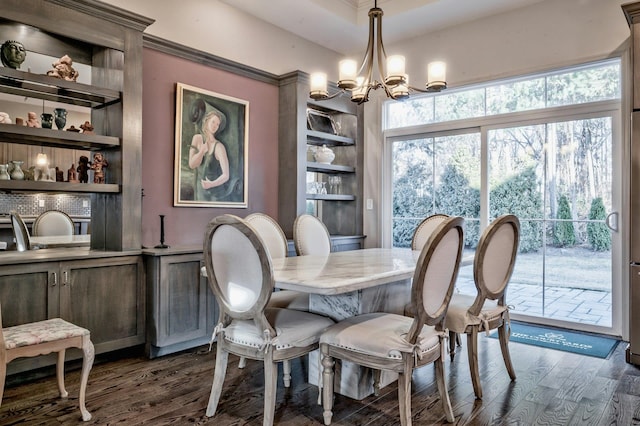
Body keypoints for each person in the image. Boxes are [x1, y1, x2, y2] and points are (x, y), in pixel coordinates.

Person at [188, 102, 230, 201]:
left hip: (215, 194)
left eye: (217, 124)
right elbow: (192, 164)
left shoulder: (219, 147)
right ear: (207, 121)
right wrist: (201, 151)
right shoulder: (197, 138)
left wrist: (211, 184)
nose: (215, 126)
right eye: (213, 122)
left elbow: (226, 175)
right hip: (200, 191)